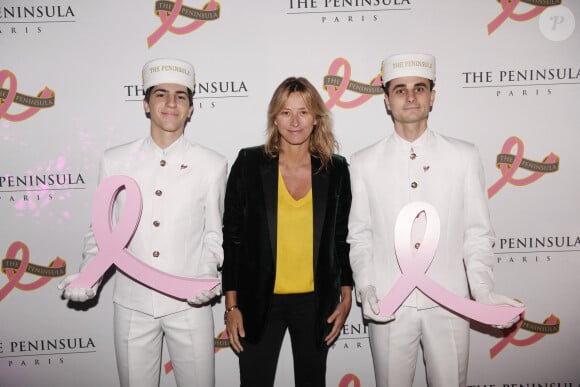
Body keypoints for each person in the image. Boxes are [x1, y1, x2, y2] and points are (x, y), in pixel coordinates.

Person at [347, 53, 523, 387]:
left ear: (432, 96)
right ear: (386, 99)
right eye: (400, 90)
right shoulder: (363, 162)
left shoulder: (464, 156)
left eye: (419, 88)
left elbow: (477, 233)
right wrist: (367, 286)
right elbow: (361, 235)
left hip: (451, 306)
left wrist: (482, 290)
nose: (410, 97)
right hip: (389, 306)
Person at [58, 58, 227, 387]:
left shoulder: (212, 164)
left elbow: (213, 233)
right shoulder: (115, 160)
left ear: (190, 108)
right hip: (132, 305)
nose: (170, 103)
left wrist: (205, 276)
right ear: (146, 104)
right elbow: (101, 233)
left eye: (181, 96)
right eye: (161, 94)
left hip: (188, 307)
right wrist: (89, 275)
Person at [222, 76, 353, 387]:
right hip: (258, 301)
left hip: (315, 302)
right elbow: (233, 239)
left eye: (304, 112)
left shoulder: (336, 169)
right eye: (286, 112)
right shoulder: (249, 163)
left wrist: (346, 295)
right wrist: (231, 305)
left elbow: (340, 238)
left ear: (317, 118)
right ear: (274, 118)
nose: (295, 122)